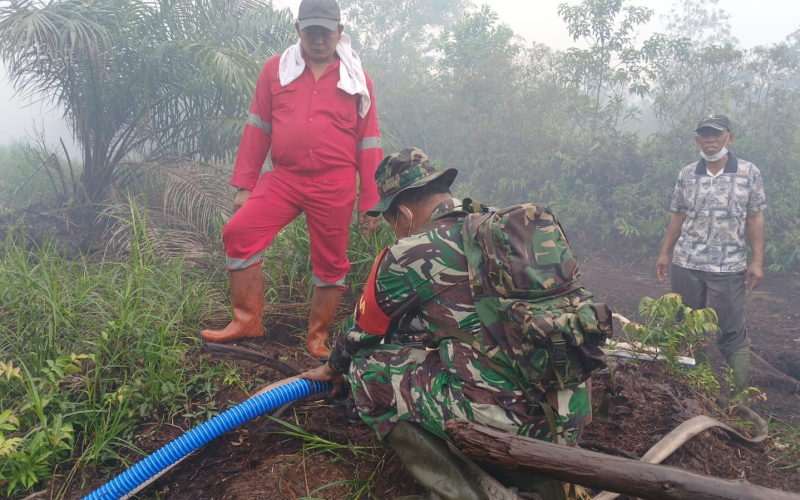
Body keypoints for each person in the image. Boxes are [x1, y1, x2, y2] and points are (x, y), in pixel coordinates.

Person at [303, 148, 594, 500]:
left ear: (404, 213)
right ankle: (538, 478)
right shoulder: (502, 229)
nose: (393, 230)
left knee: (368, 370)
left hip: (510, 424)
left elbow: (362, 333)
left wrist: (335, 368)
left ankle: (466, 491)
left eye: (391, 221)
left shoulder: (410, 251)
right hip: (573, 408)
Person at [201, 0, 383, 359]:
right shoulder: (276, 70)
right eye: (311, 32)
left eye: (326, 33)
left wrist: (371, 202)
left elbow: (369, 142)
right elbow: (258, 128)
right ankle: (248, 320)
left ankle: (317, 338)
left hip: (335, 183)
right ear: (298, 30)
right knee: (239, 232)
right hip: (284, 179)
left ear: (339, 32)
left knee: (331, 263)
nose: (318, 40)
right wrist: (245, 185)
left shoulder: (356, 78)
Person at [656, 114, 766, 402]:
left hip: (728, 265)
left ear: (730, 137)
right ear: (697, 140)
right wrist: (665, 253)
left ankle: (739, 401)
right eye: (704, 135)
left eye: (716, 134)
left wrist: (756, 261)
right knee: (687, 326)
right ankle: (699, 392)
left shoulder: (748, 172)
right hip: (687, 262)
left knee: (730, 330)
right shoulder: (687, 173)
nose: (710, 140)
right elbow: (678, 213)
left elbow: (754, 217)